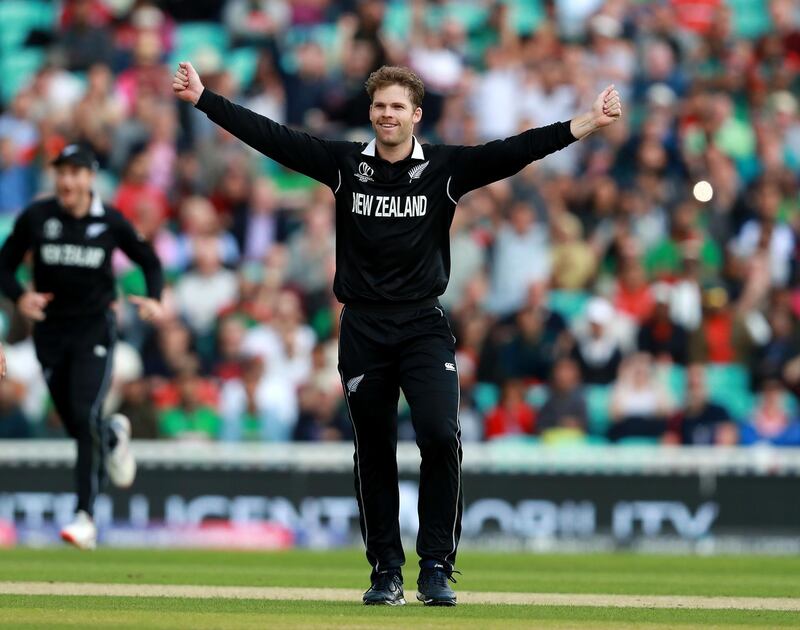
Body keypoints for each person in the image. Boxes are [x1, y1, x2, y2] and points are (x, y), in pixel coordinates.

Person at [173, 60, 622, 606]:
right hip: (363, 326)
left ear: (416, 115)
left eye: (397, 107)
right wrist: (204, 99)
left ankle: (435, 565)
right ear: (371, 113)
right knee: (374, 450)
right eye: (380, 106)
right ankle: (385, 569)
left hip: (422, 325)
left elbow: (513, 151)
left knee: (438, 433)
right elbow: (274, 139)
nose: (388, 115)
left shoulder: (444, 168)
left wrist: (584, 123)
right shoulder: (344, 165)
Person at [0, 144, 164, 550]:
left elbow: (149, 259)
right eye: (61, 172)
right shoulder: (38, 217)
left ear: (91, 178)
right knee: (77, 423)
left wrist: (154, 297)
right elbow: (3, 265)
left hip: (94, 331)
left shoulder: (109, 221)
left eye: (75, 173)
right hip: (50, 333)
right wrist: (21, 296)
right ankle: (112, 436)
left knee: (83, 412)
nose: (66, 181)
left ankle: (85, 516)